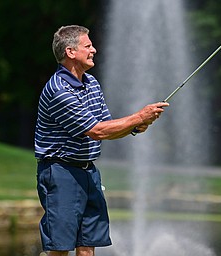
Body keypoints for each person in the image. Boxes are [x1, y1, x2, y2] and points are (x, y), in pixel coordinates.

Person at [34, 25, 169, 256]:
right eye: (88, 46)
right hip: (60, 173)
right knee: (60, 248)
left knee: (87, 246)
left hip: (88, 172)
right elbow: (97, 131)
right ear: (70, 52)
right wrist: (138, 117)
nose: (94, 50)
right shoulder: (59, 90)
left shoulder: (92, 83)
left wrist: (136, 126)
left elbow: (108, 125)